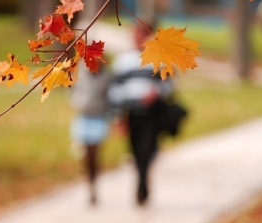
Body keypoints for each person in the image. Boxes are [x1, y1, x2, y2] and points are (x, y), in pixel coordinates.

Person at [108, 20, 187, 205]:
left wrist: (156, 92)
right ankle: (142, 179)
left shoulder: (159, 58)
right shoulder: (123, 61)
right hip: (132, 113)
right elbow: (115, 90)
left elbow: (168, 85)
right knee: (136, 151)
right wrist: (117, 117)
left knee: (147, 148)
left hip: (152, 114)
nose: (137, 38)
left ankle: (142, 186)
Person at [70, 64, 111, 205]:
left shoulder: (106, 76)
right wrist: (78, 102)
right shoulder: (80, 73)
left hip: (99, 117)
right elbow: (73, 90)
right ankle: (90, 183)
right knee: (86, 154)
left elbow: (111, 96)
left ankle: (94, 182)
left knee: (94, 153)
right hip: (83, 117)